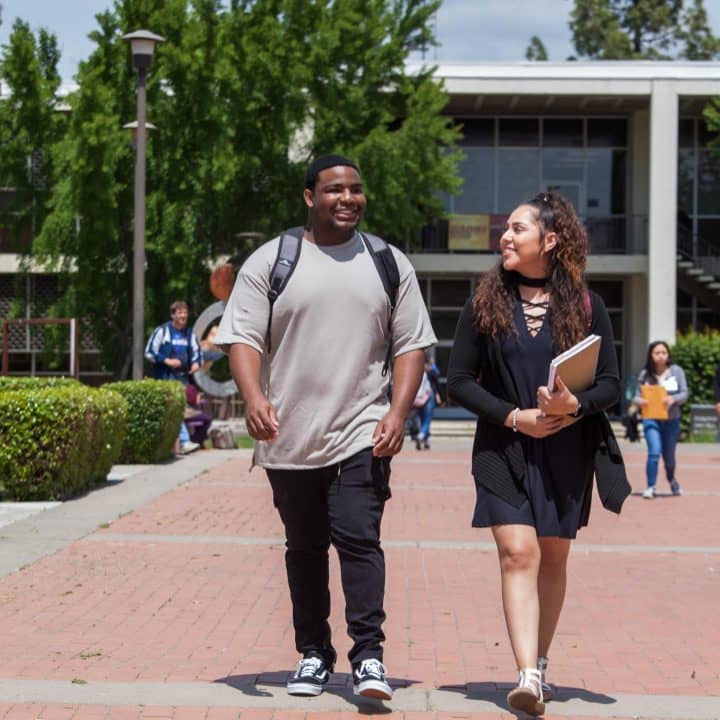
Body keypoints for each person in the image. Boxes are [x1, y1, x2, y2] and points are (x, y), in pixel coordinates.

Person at [215, 154, 436, 700]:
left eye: (355, 189)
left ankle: (369, 657)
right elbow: (242, 337)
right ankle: (313, 653)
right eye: (335, 189)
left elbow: (411, 344)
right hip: (288, 436)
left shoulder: (388, 262)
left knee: (359, 539)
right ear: (309, 197)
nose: (348, 198)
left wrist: (397, 412)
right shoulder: (273, 261)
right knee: (305, 547)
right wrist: (254, 397)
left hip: (362, 430)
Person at [447, 192, 630, 716]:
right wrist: (513, 416)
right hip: (501, 448)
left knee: (552, 558)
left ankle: (541, 663)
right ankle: (526, 674)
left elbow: (611, 384)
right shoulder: (484, 303)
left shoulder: (588, 306)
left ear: (549, 240)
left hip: (567, 453)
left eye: (517, 229)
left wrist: (575, 406)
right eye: (506, 229)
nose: (505, 237)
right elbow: (458, 381)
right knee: (518, 553)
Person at [144, 300, 203, 454]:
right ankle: (184, 441)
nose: (183, 316)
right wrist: (167, 360)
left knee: (180, 409)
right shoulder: (163, 331)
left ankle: (178, 443)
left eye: (185, 313)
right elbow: (149, 352)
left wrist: (196, 364)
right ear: (173, 315)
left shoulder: (189, 334)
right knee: (175, 408)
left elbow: (198, 354)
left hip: (183, 379)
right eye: (180, 313)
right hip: (165, 378)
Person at [632, 341, 688, 498]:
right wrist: (641, 401)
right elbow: (635, 396)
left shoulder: (677, 371)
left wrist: (673, 399)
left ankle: (671, 479)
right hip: (651, 419)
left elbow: (685, 393)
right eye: (657, 353)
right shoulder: (645, 374)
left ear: (668, 354)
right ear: (651, 355)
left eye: (664, 352)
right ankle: (651, 487)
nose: (661, 356)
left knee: (669, 458)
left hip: (671, 420)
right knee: (654, 452)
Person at [412, 357, 442, 450]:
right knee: (427, 419)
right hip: (429, 397)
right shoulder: (431, 372)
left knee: (422, 419)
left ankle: (426, 441)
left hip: (418, 398)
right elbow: (437, 383)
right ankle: (421, 436)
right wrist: (439, 396)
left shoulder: (414, 372)